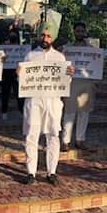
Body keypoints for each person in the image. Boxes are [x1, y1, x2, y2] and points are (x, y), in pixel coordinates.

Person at [21, 23, 74, 185]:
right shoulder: (30, 56)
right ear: (39, 36)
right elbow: (23, 81)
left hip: (53, 102)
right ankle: (31, 172)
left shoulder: (60, 57)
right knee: (32, 134)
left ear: (53, 38)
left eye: (48, 36)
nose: (45, 39)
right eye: (43, 35)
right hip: (34, 101)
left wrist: (69, 74)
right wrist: (19, 74)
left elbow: (64, 82)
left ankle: (52, 172)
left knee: (53, 136)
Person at [61, 22, 96, 151]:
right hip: (71, 83)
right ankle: (65, 141)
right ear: (74, 32)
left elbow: (96, 66)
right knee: (69, 113)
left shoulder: (92, 49)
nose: (80, 33)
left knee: (84, 113)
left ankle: (80, 140)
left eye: (82, 31)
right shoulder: (68, 49)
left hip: (86, 84)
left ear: (84, 32)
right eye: (78, 31)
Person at [0, 30, 24, 120]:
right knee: (5, 93)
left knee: (19, 94)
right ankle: (4, 111)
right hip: (6, 73)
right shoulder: (4, 48)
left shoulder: (21, 48)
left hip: (17, 73)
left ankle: (21, 111)